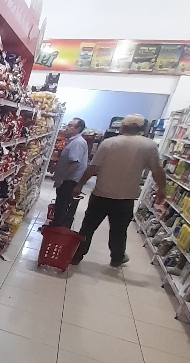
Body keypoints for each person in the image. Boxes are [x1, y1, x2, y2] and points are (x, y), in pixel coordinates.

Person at [71, 113, 166, 267]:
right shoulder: (149, 146)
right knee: (119, 231)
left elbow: (93, 167)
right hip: (125, 198)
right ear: (142, 129)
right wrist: (162, 189)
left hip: (101, 194)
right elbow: (156, 170)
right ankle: (117, 258)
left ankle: (76, 255)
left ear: (122, 127)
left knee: (88, 227)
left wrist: (79, 185)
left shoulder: (109, 143)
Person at [51, 117, 88, 227]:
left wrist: (61, 178)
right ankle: (57, 225)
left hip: (69, 180)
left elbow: (75, 163)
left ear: (78, 129)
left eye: (70, 126)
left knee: (62, 204)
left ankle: (57, 228)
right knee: (61, 203)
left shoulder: (77, 143)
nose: (67, 128)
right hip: (68, 179)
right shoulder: (73, 141)